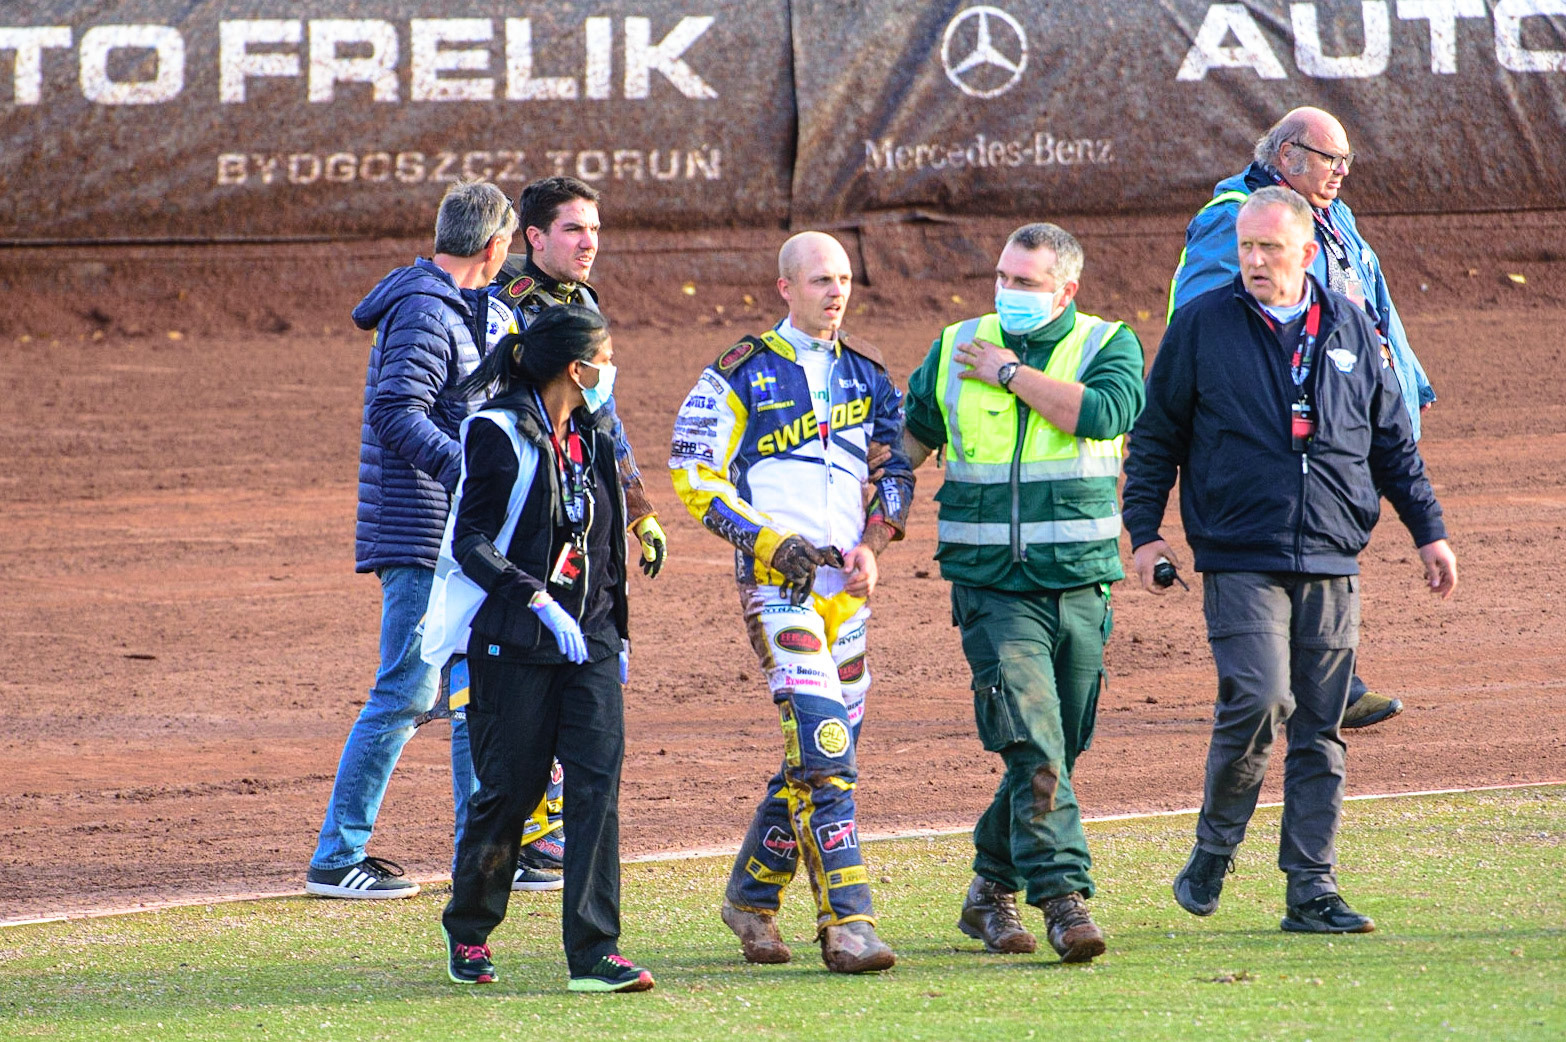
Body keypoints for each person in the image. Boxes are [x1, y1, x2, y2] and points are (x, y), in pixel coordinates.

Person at [1124, 187, 1457, 934]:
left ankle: (1311, 889)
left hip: (1335, 552)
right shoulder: (1202, 324)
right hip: (1240, 551)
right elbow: (1155, 439)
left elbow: (1391, 444)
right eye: (1245, 247)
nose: (1252, 261)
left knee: (1321, 725)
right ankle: (1214, 848)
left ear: (1308, 253)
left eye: (1269, 248)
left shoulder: (1348, 322)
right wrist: (1144, 533)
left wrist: (1428, 531)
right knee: (1259, 698)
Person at [669, 232, 914, 973]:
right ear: (784, 288)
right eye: (818, 281)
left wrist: (876, 542)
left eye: (842, 279)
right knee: (826, 752)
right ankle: (849, 923)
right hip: (779, 589)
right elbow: (693, 475)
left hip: (849, 594)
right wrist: (769, 544)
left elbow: (894, 471)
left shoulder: (870, 376)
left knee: (815, 760)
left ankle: (749, 900)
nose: (835, 293)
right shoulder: (736, 373)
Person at [902, 223, 1145, 963]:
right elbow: (906, 439)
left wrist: (1010, 375)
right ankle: (1063, 900)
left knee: (1060, 748)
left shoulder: (1110, 344)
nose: (1008, 293)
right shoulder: (954, 345)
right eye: (1003, 277)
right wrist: (858, 509)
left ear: (1066, 290)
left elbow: (1105, 415)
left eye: (1027, 283)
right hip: (992, 589)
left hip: (1079, 584)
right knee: (1034, 743)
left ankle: (987, 891)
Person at [1166, 106, 1437, 730]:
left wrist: (1403, 383)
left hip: (1336, 411)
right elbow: (1207, 314)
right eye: (1328, 158)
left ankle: (1301, 682)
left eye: (1346, 160)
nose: (1341, 171)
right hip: (1268, 422)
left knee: (1319, 537)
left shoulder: (1331, 218)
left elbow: (1370, 303)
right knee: (1275, 541)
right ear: (1286, 155)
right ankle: (1295, 686)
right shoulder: (1232, 219)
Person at [431, 304, 653, 992]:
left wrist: (614, 632)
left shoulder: (595, 429)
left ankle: (594, 952)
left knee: (596, 787)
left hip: (587, 642)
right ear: (574, 366)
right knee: (510, 793)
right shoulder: (496, 431)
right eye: (605, 357)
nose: (611, 369)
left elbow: (605, 540)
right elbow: (470, 541)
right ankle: (468, 929)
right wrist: (531, 597)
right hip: (515, 644)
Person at [305, 180, 516, 900]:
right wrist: (470, 473)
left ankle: (482, 850)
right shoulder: (428, 309)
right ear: (493, 247)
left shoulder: (448, 305)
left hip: (443, 528)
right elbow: (397, 412)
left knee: (462, 687)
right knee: (404, 689)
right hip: (422, 528)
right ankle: (336, 858)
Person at [481, 176, 668, 890]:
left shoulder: (581, 303)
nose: (590, 243)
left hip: (577, 502)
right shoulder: (507, 305)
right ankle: (513, 831)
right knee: (491, 672)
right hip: (519, 502)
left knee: (569, 656)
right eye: (573, 231)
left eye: (594, 229)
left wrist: (639, 504)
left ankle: (536, 827)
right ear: (533, 238)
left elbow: (604, 419)